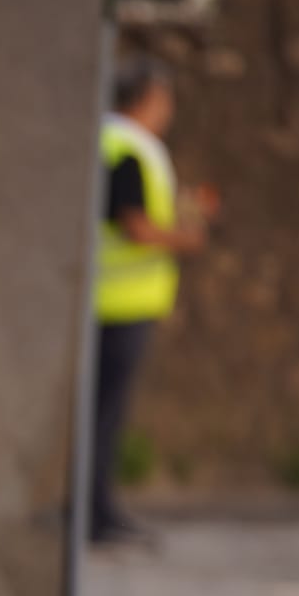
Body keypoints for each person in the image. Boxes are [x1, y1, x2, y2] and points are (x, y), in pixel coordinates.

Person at [90, 53, 212, 545]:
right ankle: (96, 514)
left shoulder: (105, 138)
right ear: (151, 98)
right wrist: (187, 236)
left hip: (106, 297)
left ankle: (93, 509)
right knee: (104, 415)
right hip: (121, 301)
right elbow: (134, 225)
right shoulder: (131, 147)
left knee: (97, 414)